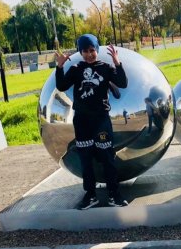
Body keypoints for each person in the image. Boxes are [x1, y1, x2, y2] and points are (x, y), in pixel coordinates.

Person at [55, 35, 129, 209]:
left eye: (92, 50)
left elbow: (123, 83)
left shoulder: (106, 68)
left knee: (107, 157)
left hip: (101, 119)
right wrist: (60, 67)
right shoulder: (76, 69)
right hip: (82, 121)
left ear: (96, 50)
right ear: (80, 52)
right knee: (85, 159)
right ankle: (90, 195)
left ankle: (114, 194)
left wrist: (117, 63)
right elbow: (61, 86)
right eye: (85, 51)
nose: (89, 54)